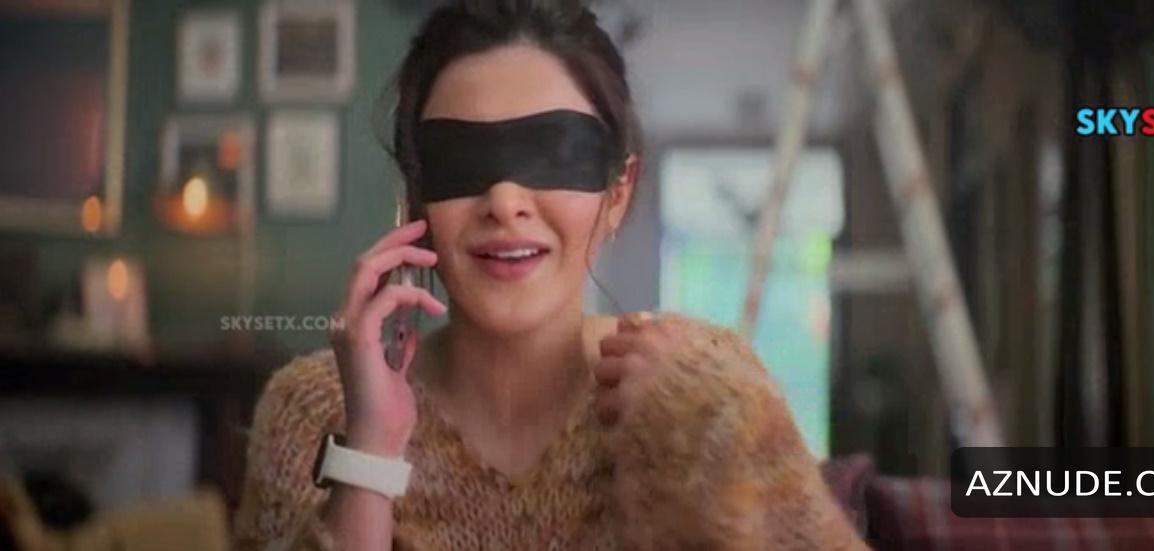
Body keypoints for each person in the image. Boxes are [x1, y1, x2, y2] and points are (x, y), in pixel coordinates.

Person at [232, 1, 869, 549]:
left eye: (553, 153)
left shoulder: (711, 383)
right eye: (464, 160)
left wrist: (710, 431)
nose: (505, 200)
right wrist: (367, 452)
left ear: (618, 193)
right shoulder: (314, 410)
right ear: (418, 198)